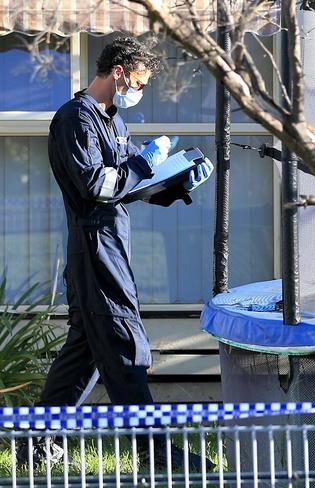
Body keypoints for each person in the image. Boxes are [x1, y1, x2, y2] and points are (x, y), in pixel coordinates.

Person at [19, 36, 215, 471]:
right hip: (93, 247)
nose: (139, 92)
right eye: (139, 82)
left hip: (110, 243)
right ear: (119, 72)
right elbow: (98, 187)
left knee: (86, 350)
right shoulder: (75, 119)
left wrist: (178, 181)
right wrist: (144, 164)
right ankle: (155, 451)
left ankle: (34, 443)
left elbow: (131, 186)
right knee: (125, 343)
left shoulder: (111, 121)